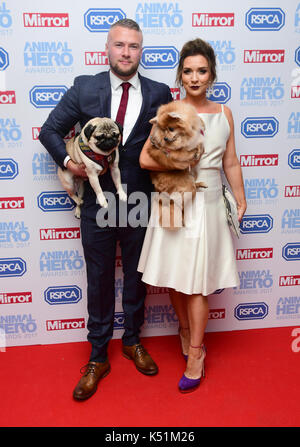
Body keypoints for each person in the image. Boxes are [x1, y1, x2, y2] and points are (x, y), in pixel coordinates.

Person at [39, 19, 173, 401]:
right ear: (108, 49)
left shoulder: (160, 91)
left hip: (139, 199)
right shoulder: (85, 86)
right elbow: (49, 130)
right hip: (98, 202)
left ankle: (132, 341)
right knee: (98, 279)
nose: (126, 52)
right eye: (119, 45)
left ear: (140, 52)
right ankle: (98, 355)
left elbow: (169, 141)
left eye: (133, 46)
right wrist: (70, 163)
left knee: (136, 276)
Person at [138, 38, 247, 393]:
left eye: (201, 70)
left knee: (199, 283)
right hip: (174, 199)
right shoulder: (170, 112)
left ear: (211, 74)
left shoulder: (224, 112)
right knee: (174, 276)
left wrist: (241, 200)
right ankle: (184, 330)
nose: (194, 77)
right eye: (188, 71)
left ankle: (196, 354)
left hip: (210, 204)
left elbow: (230, 160)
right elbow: (145, 159)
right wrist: (183, 160)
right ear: (180, 75)